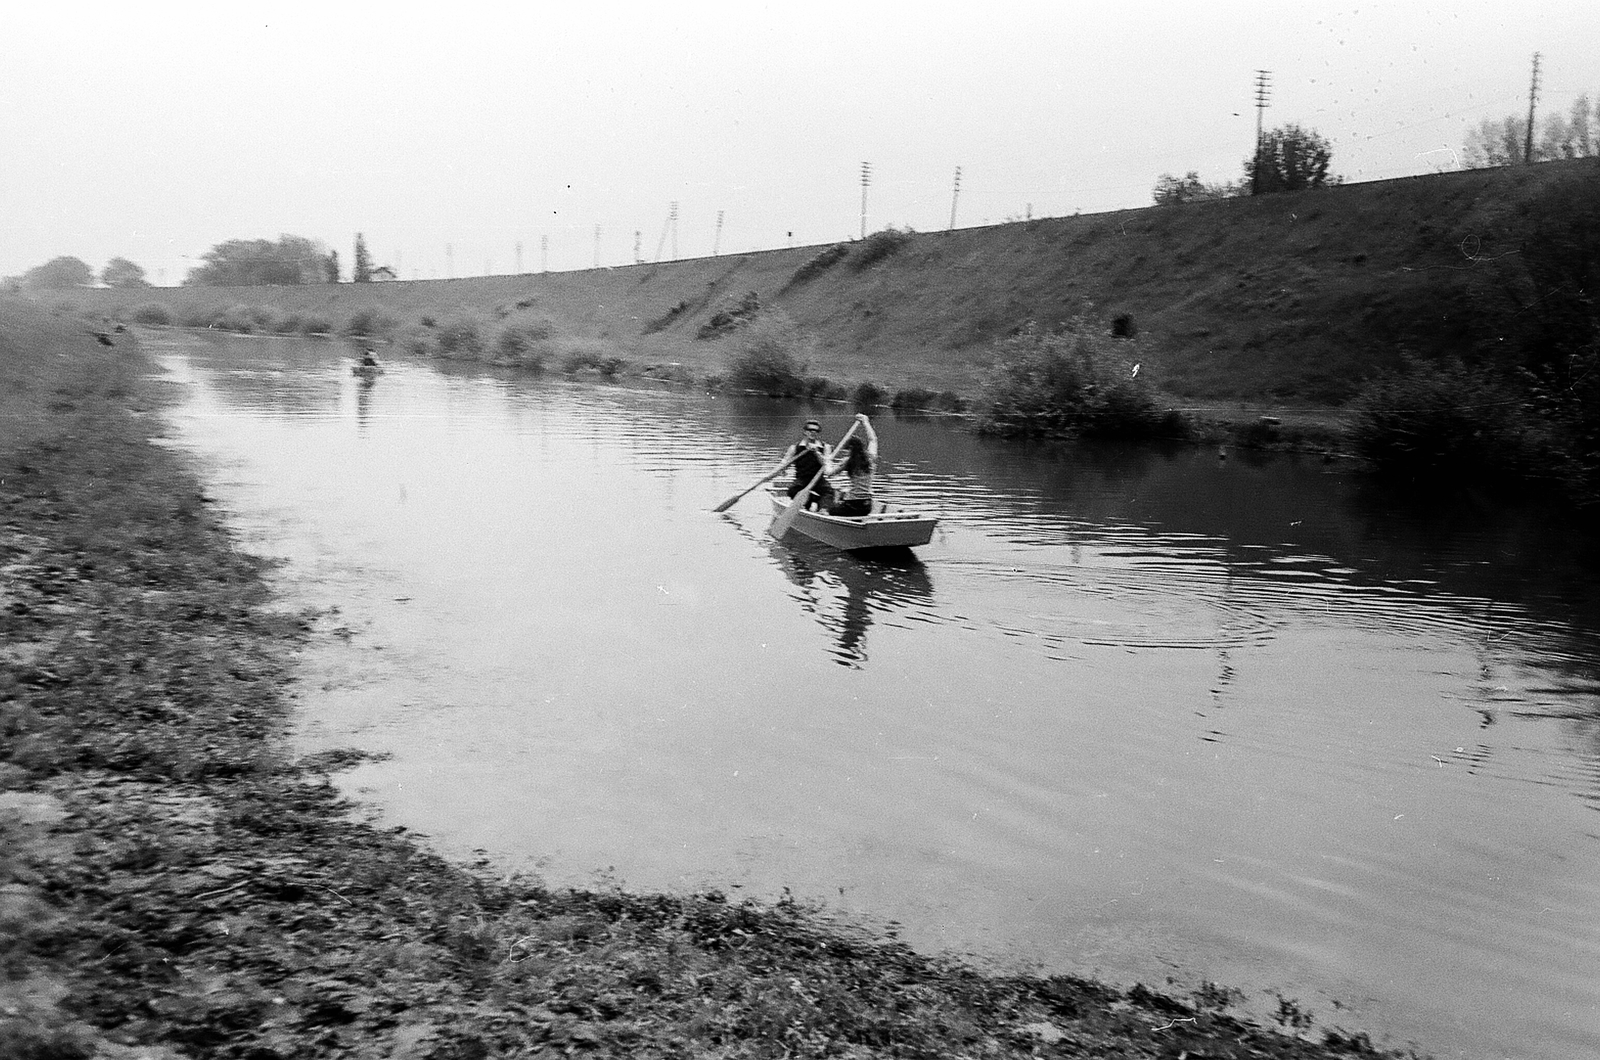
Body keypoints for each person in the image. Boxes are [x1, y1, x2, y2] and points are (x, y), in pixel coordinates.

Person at [776, 418, 836, 510]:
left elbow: (827, 466)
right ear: (805, 432)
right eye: (810, 430)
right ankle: (811, 501)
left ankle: (823, 508)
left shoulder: (825, 447)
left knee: (829, 492)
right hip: (802, 478)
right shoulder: (795, 448)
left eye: (816, 430)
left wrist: (817, 453)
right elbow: (784, 463)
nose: (813, 432)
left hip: (818, 479)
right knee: (792, 491)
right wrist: (782, 470)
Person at [826, 413, 878, 517]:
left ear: (850, 449)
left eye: (847, 450)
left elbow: (829, 473)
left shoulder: (848, 461)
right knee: (841, 492)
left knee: (828, 511)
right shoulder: (870, 458)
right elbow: (873, 439)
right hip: (867, 506)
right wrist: (865, 421)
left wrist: (827, 459)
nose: (846, 453)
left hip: (852, 505)